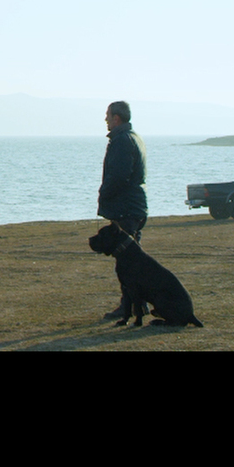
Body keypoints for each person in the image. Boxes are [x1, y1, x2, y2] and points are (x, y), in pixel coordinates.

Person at [97, 100, 148, 320]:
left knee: (127, 261)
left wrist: (104, 193)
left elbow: (119, 176)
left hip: (126, 208)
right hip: (133, 206)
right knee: (133, 259)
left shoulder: (122, 141)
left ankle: (130, 304)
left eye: (108, 115)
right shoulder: (132, 137)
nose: (105, 119)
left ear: (116, 118)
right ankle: (138, 304)